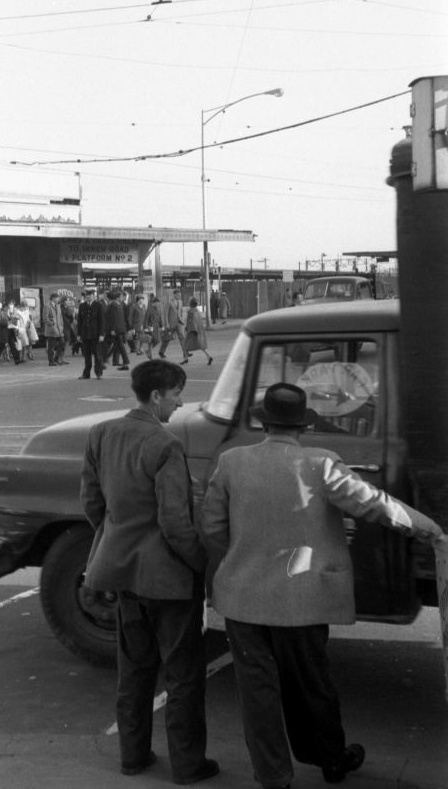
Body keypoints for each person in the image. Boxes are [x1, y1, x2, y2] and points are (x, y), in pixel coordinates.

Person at [201, 383, 444, 789]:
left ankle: (273, 775)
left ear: (264, 423)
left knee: (258, 694)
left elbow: (211, 528)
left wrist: (241, 559)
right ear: (301, 427)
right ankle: (331, 759)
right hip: (303, 600)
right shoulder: (321, 463)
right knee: (311, 686)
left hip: (242, 601)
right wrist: (428, 529)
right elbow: (374, 503)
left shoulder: (231, 462)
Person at [81, 359, 217, 785]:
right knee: (182, 675)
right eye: (176, 394)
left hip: (122, 576)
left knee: (134, 671)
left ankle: (133, 755)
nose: (179, 403)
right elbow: (176, 523)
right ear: (157, 395)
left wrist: (115, 538)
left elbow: (91, 502)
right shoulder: (165, 446)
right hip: (168, 581)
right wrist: (202, 565)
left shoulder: (101, 434)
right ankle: (188, 764)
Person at [76, 287, 105, 379]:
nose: (88, 297)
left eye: (90, 296)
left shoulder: (98, 305)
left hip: (95, 334)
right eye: (87, 296)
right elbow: (79, 321)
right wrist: (78, 334)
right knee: (87, 355)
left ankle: (98, 373)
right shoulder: (82, 306)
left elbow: (102, 321)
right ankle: (86, 373)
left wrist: (101, 334)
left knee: (97, 355)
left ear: (93, 296)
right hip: (85, 334)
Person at [103, 288, 130, 371]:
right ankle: (124, 363)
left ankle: (103, 362)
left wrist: (112, 329)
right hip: (120, 329)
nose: (122, 298)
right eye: (121, 297)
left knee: (108, 345)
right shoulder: (119, 305)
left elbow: (113, 318)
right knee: (118, 346)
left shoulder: (113, 305)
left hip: (114, 330)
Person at [181, 298, 212, 366]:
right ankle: (208, 357)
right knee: (201, 346)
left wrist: (192, 329)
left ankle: (185, 359)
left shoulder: (191, 311)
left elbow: (192, 321)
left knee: (185, 345)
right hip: (199, 330)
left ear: (190, 304)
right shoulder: (197, 311)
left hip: (192, 331)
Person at [158, 292, 185, 361]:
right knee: (167, 339)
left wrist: (182, 319)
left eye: (180, 295)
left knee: (182, 337)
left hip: (178, 323)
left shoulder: (180, 302)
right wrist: (166, 324)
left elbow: (181, 311)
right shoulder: (169, 302)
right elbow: (165, 314)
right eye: (178, 295)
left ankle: (185, 352)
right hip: (170, 324)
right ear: (174, 295)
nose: (179, 296)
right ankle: (161, 352)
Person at [43, 292, 65, 366]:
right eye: (57, 298)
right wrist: (51, 324)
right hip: (51, 329)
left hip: (59, 329)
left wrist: (61, 325)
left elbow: (60, 317)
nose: (58, 299)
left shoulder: (58, 306)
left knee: (62, 343)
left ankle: (56, 358)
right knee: (51, 346)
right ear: (53, 298)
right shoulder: (47, 306)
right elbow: (45, 318)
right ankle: (51, 361)